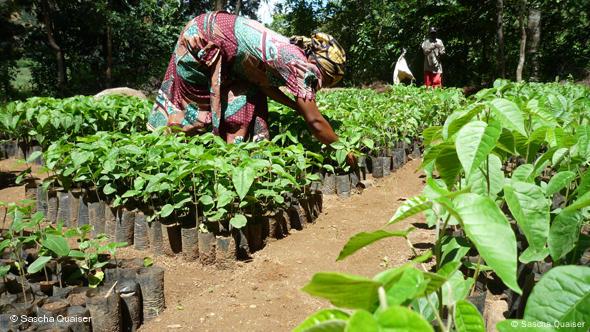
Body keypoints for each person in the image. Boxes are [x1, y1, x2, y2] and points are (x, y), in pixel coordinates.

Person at [147, 11, 350, 162]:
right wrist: (343, 150)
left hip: (221, 45)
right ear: (321, 69)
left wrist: (295, 106)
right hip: (200, 41)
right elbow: (315, 122)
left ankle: (234, 158)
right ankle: (168, 156)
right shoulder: (302, 67)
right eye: (327, 79)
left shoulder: (294, 56)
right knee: (196, 111)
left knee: (248, 98)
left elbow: (264, 86)